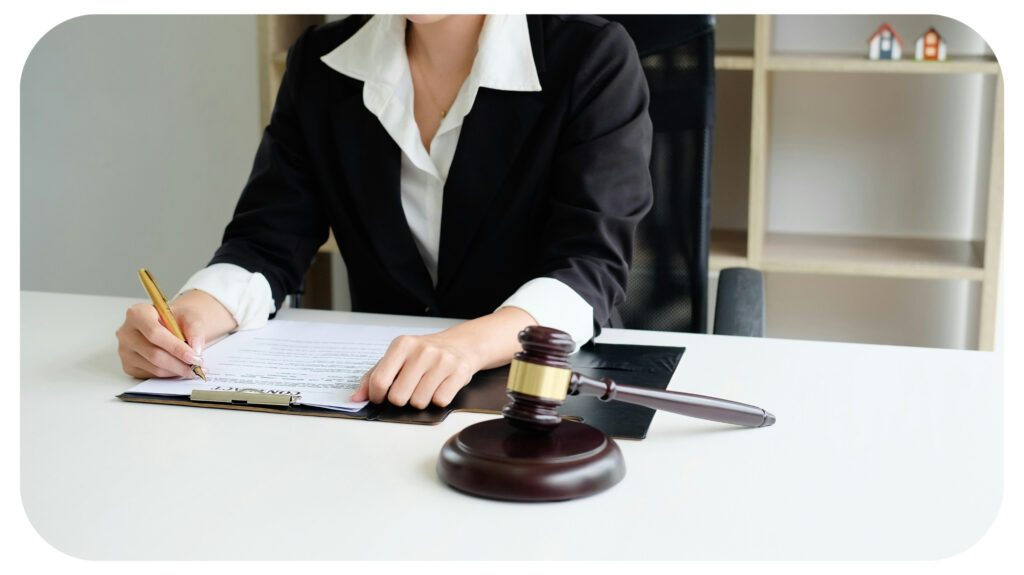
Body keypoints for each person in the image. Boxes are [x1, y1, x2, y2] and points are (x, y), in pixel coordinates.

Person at [115, 14, 653, 410]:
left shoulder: (592, 57)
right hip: (381, 397)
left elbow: (589, 265)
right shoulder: (323, 62)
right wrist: (193, 316)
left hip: (547, 391)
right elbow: (265, 240)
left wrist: (463, 346)